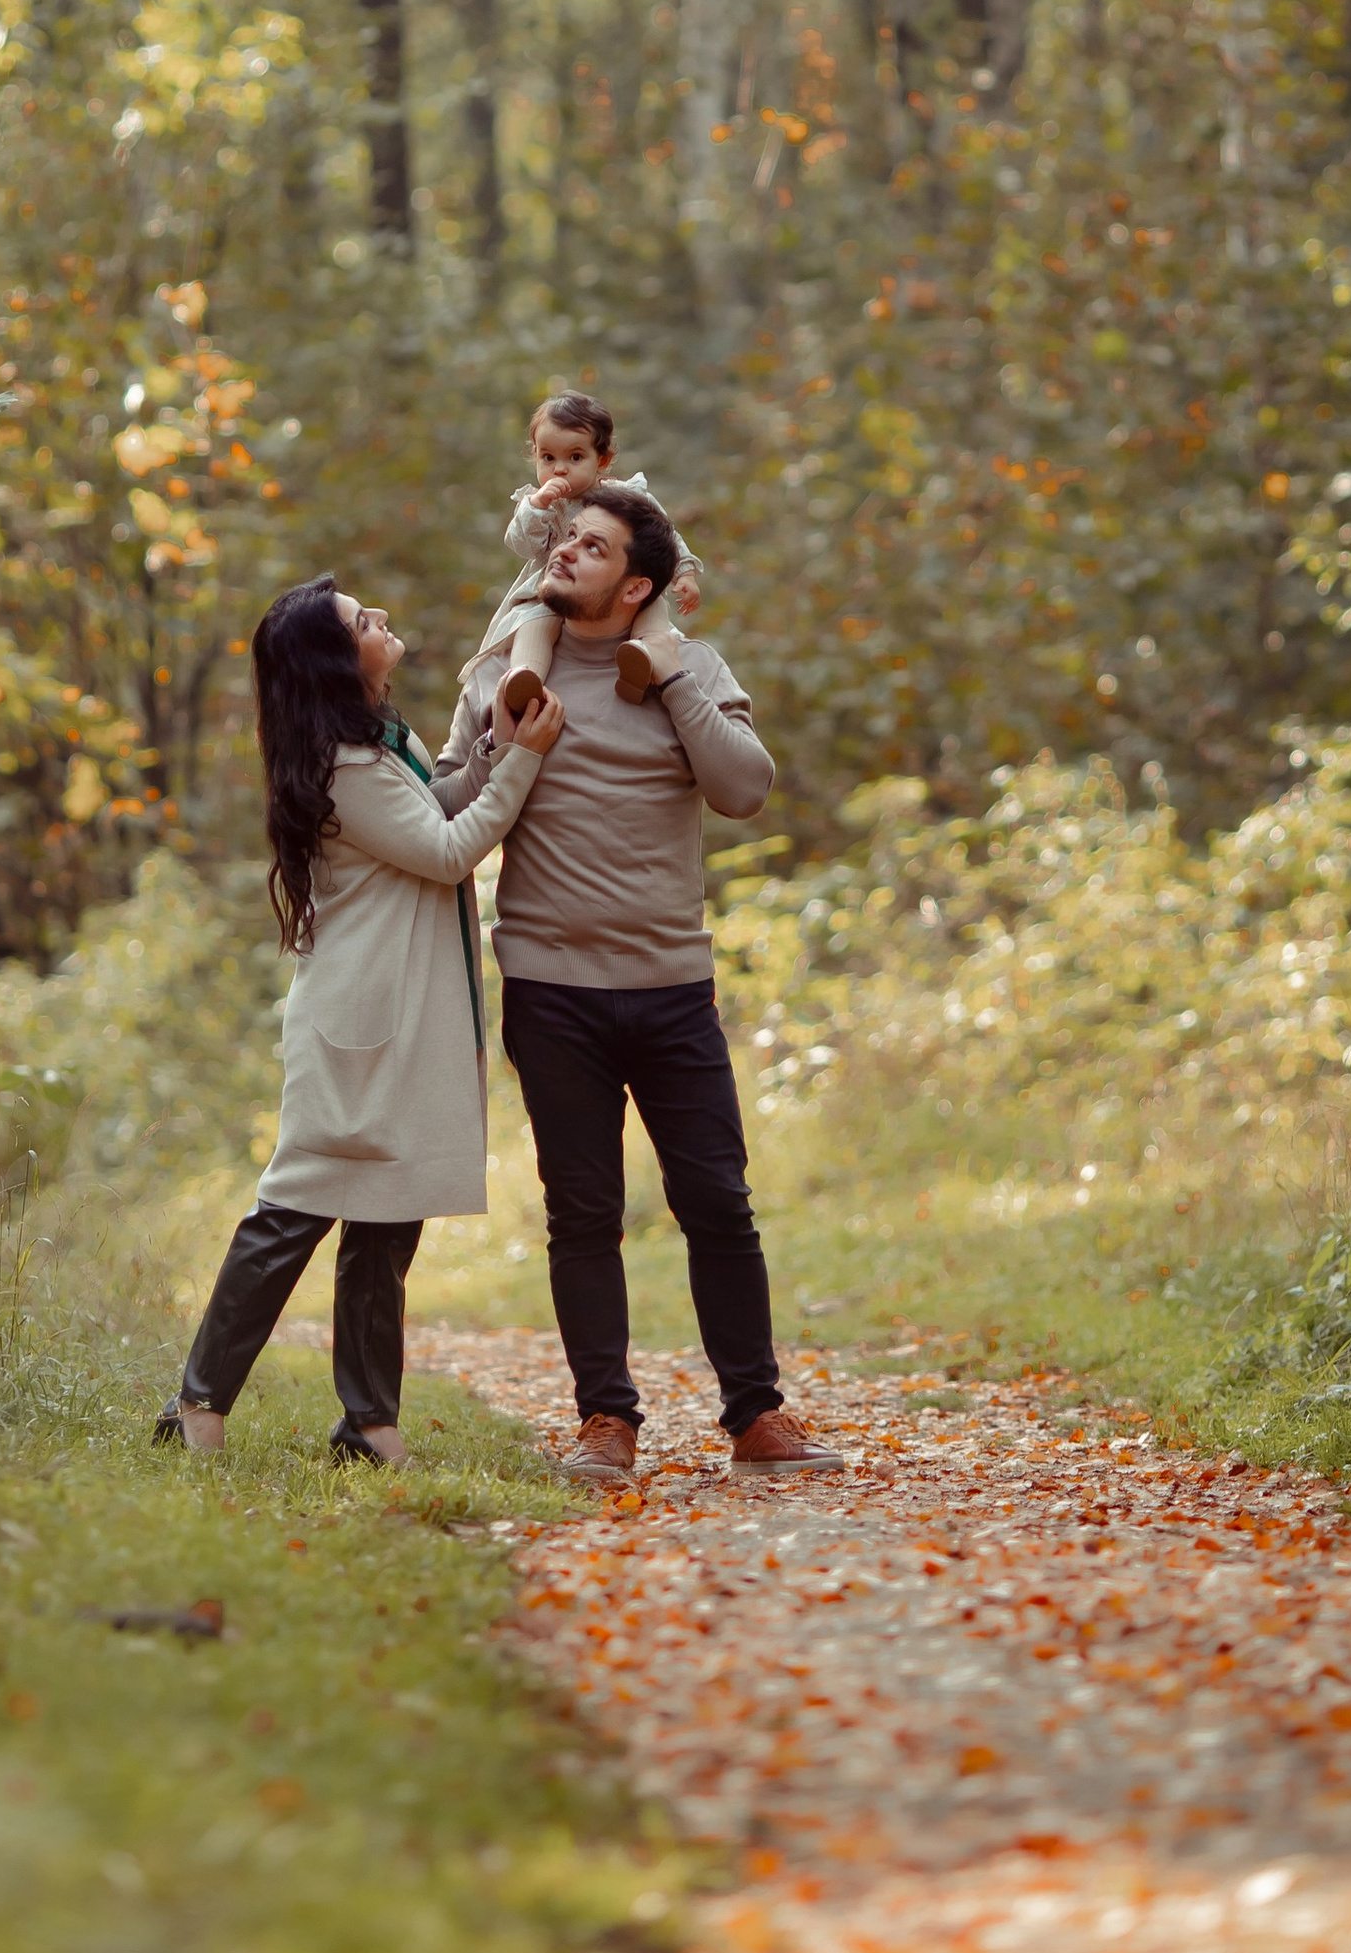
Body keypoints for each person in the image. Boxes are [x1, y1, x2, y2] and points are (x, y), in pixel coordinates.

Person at [441, 482, 843, 1486]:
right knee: (582, 1212)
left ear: (638, 585)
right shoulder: (503, 667)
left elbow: (744, 788)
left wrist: (666, 681)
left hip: (669, 986)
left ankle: (755, 1415)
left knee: (716, 1200)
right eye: (563, 539)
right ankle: (604, 1423)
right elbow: (447, 794)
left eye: (592, 544)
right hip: (550, 984)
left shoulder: (690, 667)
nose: (565, 553)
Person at [158, 574, 564, 1466]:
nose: (383, 619)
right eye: (362, 622)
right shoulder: (345, 767)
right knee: (294, 1211)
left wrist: (494, 745)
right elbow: (453, 851)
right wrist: (527, 757)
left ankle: (368, 1423)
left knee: (390, 1213)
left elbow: (442, 804)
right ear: (337, 662)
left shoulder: (379, 741)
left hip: (401, 1014)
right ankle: (197, 1401)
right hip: (360, 1022)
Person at [480, 387, 702, 714]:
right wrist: (538, 507)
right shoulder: (544, 505)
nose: (559, 469)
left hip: (616, 586)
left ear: (603, 460)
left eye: (575, 457)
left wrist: (685, 571)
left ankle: (641, 660)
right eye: (548, 458)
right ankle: (524, 679)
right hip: (555, 586)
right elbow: (522, 546)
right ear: (535, 455)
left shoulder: (625, 497)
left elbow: (662, 535)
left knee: (650, 605)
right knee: (532, 622)